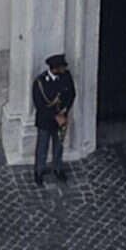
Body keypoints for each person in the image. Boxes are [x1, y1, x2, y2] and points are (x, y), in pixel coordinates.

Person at [31, 52, 75, 186]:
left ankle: (58, 168)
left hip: (61, 118)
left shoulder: (66, 77)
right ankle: (39, 170)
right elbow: (40, 105)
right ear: (55, 68)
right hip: (46, 120)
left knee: (59, 145)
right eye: (62, 67)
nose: (64, 69)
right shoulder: (40, 83)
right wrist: (56, 117)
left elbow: (72, 94)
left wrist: (65, 110)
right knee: (42, 146)